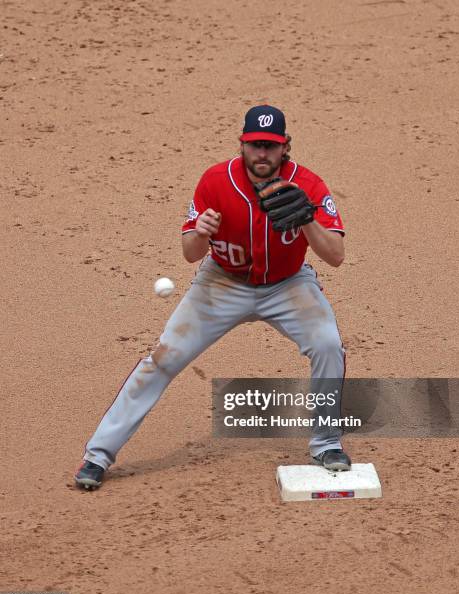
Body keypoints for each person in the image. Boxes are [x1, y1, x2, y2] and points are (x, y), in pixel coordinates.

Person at [75, 104, 351, 490]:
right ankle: (98, 455)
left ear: (286, 146)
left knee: (327, 345)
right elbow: (190, 253)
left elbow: (335, 256)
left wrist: (307, 218)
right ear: (242, 144)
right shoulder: (215, 182)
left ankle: (326, 443)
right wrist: (200, 232)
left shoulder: (308, 184)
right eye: (254, 145)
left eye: (270, 146)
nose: (261, 154)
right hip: (221, 283)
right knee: (164, 357)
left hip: (289, 285)